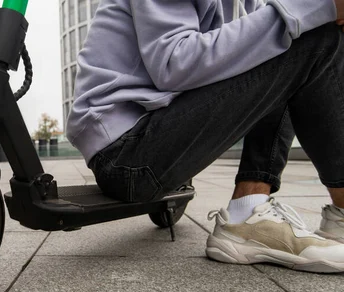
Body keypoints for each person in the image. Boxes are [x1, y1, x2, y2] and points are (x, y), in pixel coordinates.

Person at [66, 0, 344, 272]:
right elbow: (174, 63)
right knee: (309, 35)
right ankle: (337, 214)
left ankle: (250, 209)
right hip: (123, 151)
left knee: (288, 35)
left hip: (149, 137)